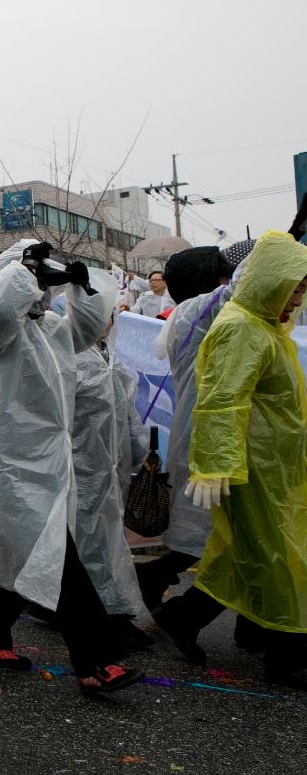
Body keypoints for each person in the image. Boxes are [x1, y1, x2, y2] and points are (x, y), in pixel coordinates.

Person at [0, 239, 143, 693]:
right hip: (8, 462)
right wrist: (24, 270)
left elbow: (87, 327)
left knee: (12, 552)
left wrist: (81, 287)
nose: (44, 291)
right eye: (36, 280)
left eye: (46, 282)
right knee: (58, 555)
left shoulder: (50, 329)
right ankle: (96, 660)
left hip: (44, 461)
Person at [153, 231, 307, 690]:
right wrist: (217, 465)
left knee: (243, 555)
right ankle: (288, 658)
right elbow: (222, 401)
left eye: (302, 289)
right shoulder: (240, 327)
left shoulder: (267, 329)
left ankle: (182, 617)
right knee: (281, 558)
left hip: (276, 468)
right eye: (292, 285)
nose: (297, 296)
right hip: (252, 469)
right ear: (267, 281)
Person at [133, 248, 240, 612]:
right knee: (217, 533)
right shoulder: (197, 312)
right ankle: (163, 587)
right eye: (223, 276)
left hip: (211, 434)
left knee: (218, 532)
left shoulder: (194, 314)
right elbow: (242, 288)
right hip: (206, 436)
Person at [67, 304, 152, 650]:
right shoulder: (71, 362)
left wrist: (142, 452)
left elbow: (129, 416)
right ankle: (106, 617)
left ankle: (111, 612)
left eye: (108, 317)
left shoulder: (113, 363)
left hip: (112, 471)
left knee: (107, 544)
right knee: (89, 546)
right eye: (95, 316)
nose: (103, 324)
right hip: (82, 472)